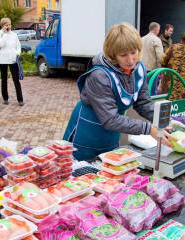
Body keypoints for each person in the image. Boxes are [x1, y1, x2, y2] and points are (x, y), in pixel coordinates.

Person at [63, 23, 173, 160]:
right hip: (86, 134)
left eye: (133, 52)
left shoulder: (139, 70)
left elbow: (143, 103)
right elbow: (110, 119)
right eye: (123, 55)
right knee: (82, 174)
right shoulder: (99, 76)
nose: (130, 60)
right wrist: (148, 129)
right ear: (113, 55)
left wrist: (167, 120)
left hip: (112, 133)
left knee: (108, 171)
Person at [160, 31, 185, 100]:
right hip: (182, 82)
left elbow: (163, 60)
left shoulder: (172, 47)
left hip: (169, 80)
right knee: (180, 104)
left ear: (182, 38)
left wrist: (165, 70)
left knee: (166, 102)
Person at [0, 17, 24, 106]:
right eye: (6, 25)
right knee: (4, 79)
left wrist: (17, 53)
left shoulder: (14, 35)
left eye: (9, 24)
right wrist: (4, 34)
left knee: (16, 80)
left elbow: (18, 45)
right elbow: (0, 44)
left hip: (13, 59)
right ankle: (5, 98)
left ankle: (20, 99)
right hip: (2, 60)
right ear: (2, 26)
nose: (8, 26)